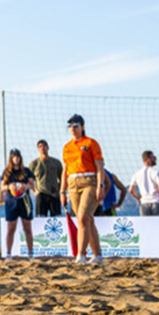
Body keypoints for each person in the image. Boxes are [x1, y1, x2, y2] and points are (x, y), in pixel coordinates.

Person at [60, 113, 106, 265]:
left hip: (89, 181)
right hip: (72, 184)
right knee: (87, 220)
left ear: (82, 126)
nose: (72, 128)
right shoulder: (67, 147)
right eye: (70, 125)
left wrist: (101, 185)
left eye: (75, 125)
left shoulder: (91, 143)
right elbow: (65, 170)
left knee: (82, 217)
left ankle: (80, 254)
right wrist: (62, 191)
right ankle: (98, 255)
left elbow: (100, 167)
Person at [0, 148, 34, 259]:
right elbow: (2, 187)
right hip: (11, 202)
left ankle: (30, 253)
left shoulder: (26, 170)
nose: (16, 158)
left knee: (27, 228)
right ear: (11, 158)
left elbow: (32, 185)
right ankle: (8, 254)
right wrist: (10, 186)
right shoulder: (7, 172)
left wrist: (25, 186)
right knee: (11, 229)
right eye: (14, 156)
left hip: (25, 201)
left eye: (18, 156)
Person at [128, 150, 159, 216]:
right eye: (153, 157)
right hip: (157, 202)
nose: (155, 159)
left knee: (145, 225)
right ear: (148, 160)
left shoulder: (137, 174)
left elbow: (131, 190)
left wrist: (139, 198)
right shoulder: (157, 172)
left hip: (144, 203)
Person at [29, 139, 63, 217]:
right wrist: (35, 191)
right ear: (38, 149)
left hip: (54, 194)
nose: (42, 148)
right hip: (41, 195)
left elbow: (62, 178)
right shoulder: (34, 164)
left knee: (56, 219)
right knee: (40, 219)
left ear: (48, 148)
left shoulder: (56, 163)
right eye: (40, 146)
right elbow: (29, 180)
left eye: (44, 146)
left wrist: (61, 190)